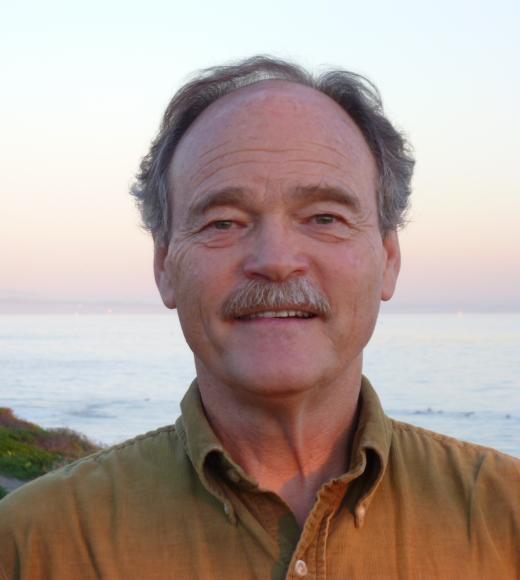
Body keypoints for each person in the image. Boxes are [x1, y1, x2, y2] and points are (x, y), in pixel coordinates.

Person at [1, 56, 519, 579]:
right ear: (164, 267)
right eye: (223, 221)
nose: (274, 259)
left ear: (388, 260)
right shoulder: (34, 544)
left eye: (324, 218)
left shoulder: (508, 517)